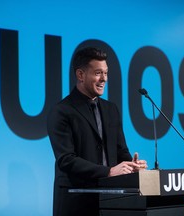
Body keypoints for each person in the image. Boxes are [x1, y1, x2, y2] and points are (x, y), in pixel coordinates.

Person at [47, 47, 148, 216]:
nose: (104, 79)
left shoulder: (111, 109)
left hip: (111, 203)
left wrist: (132, 166)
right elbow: (66, 160)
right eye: (98, 73)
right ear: (80, 75)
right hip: (76, 204)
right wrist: (108, 172)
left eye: (106, 73)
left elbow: (120, 151)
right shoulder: (61, 111)